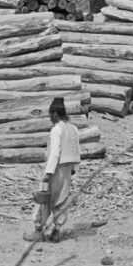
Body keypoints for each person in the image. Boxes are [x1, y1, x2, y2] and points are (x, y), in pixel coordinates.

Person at [32, 97, 77, 241]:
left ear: (55, 114)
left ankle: (38, 230)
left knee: (44, 197)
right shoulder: (73, 128)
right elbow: (76, 149)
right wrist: (74, 168)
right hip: (67, 169)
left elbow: (55, 153)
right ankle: (57, 231)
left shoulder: (56, 129)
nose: (50, 118)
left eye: (50, 115)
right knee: (62, 200)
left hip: (55, 169)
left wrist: (48, 173)